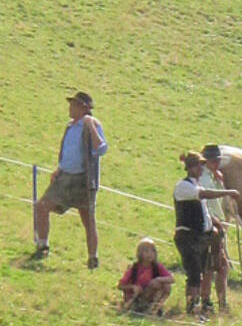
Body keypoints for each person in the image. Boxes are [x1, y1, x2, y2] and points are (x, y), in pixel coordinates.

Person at [31, 91, 106, 269]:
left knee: (88, 219)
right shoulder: (70, 126)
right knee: (41, 206)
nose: (70, 108)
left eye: (74, 105)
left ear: (84, 108)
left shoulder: (92, 124)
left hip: (82, 179)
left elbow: (101, 149)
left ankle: (92, 257)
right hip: (65, 177)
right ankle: (42, 245)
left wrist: (91, 126)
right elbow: (70, 151)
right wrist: (59, 169)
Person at [172, 152, 238, 317]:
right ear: (189, 168)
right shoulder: (183, 186)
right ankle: (191, 307)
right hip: (187, 236)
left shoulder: (195, 185)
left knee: (203, 271)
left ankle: (199, 305)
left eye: (201, 165)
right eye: (196, 165)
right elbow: (203, 194)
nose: (199, 168)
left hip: (201, 236)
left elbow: (204, 211)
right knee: (194, 273)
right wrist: (227, 192)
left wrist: (214, 223)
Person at [199, 144, 233, 313]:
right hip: (211, 227)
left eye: (217, 160)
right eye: (214, 161)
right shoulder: (204, 180)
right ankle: (216, 302)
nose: (216, 164)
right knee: (215, 267)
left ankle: (214, 301)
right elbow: (208, 204)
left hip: (215, 226)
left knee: (214, 267)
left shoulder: (212, 177)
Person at [118, 237, 174, 314]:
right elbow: (120, 286)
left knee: (166, 285)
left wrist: (158, 279)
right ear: (140, 253)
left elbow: (171, 279)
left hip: (150, 295)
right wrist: (133, 287)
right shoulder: (134, 268)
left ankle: (156, 307)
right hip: (136, 297)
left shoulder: (157, 266)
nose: (149, 254)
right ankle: (140, 306)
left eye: (152, 251)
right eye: (146, 251)